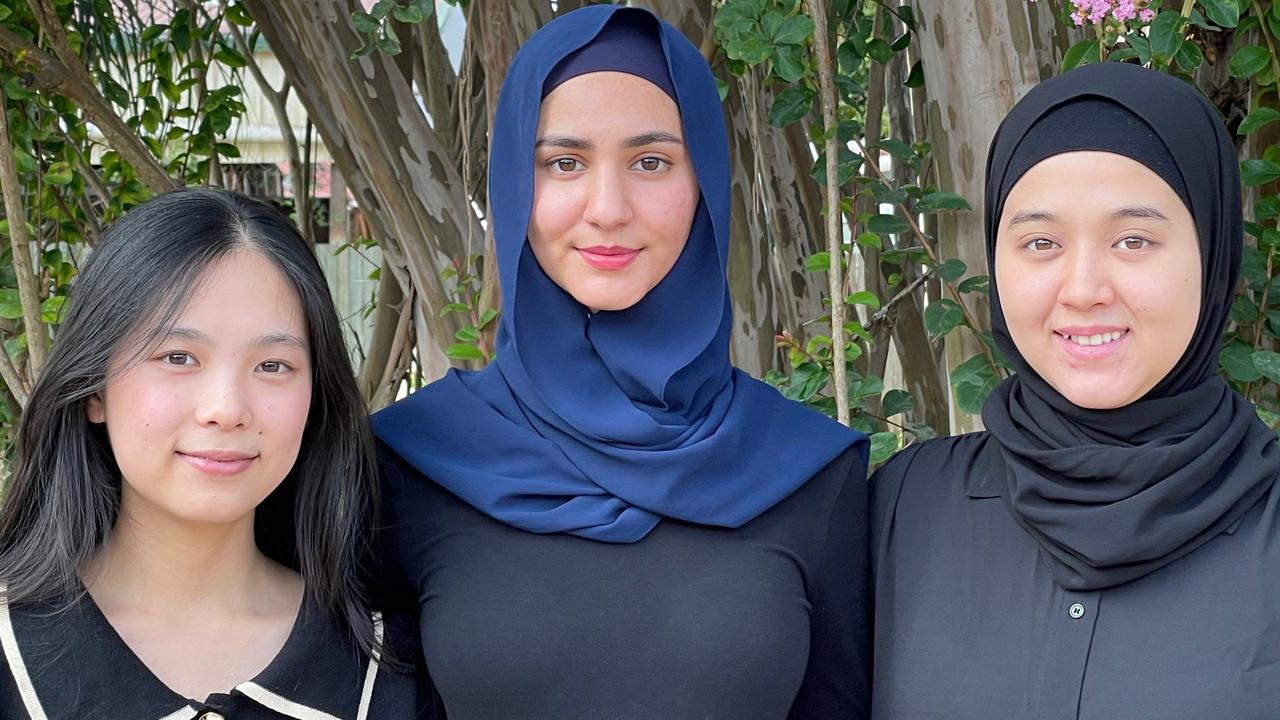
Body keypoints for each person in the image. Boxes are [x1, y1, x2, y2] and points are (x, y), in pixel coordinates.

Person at [372, 6, 870, 719]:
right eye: (564, 163)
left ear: (705, 185)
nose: (607, 208)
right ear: (515, 184)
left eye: (651, 161)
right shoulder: (406, 465)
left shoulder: (812, 474)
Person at [870, 62, 1280, 718]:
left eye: (1134, 239)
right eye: (1040, 242)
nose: (1084, 288)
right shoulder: (903, 511)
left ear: (1214, 257)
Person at [0, 188, 424, 718]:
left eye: (272, 366)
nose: (226, 409)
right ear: (94, 390)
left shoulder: (385, 666)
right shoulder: (11, 646)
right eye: (178, 356)